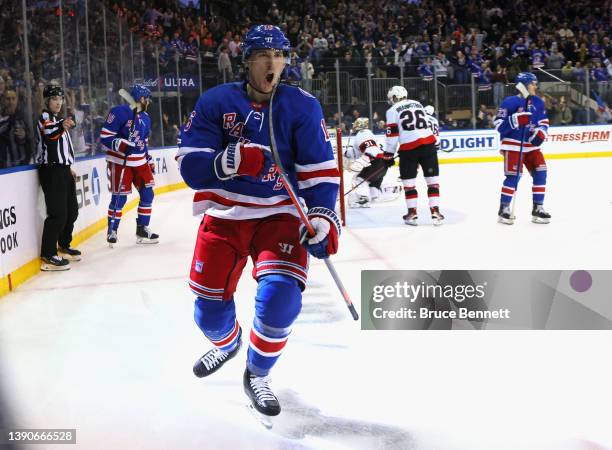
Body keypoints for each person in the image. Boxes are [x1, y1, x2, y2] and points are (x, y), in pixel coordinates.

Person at [176, 25, 340, 417]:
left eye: (280, 55)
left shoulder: (301, 105)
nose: (272, 63)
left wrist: (322, 218)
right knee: (208, 313)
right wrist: (226, 162)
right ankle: (228, 343)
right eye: (263, 55)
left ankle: (257, 373)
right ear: (247, 61)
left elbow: (320, 173)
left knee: (281, 299)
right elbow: (190, 166)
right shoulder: (217, 101)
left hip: (279, 213)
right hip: (226, 214)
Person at [100, 84, 159, 246]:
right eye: (146, 99)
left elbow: (144, 143)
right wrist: (121, 144)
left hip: (140, 162)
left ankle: (142, 228)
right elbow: (105, 137)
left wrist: (149, 159)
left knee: (148, 194)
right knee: (120, 198)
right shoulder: (118, 112)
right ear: (141, 99)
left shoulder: (146, 117)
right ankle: (112, 230)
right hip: (121, 162)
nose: (148, 102)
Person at [494, 72, 551, 225]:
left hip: (531, 146)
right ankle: (504, 209)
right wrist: (516, 119)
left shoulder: (538, 102)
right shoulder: (509, 102)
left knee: (541, 171)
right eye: (533, 83)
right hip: (513, 144)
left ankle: (538, 207)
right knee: (514, 176)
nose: (535, 86)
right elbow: (499, 126)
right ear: (524, 85)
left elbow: (544, 122)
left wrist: (541, 133)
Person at [35, 85, 81, 271]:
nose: (58, 102)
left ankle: (63, 244)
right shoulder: (45, 118)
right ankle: (48, 253)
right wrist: (62, 125)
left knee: (72, 211)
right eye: (54, 99)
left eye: (60, 99)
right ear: (47, 101)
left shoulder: (60, 120)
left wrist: (68, 167)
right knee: (57, 214)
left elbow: (63, 147)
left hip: (63, 170)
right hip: (51, 171)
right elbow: (49, 134)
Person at [385, 86, 444, 226]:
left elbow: (392, 135)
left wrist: (388, 155)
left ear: (393, 97)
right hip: (428, 145)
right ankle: (435, 213)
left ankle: (412, 214)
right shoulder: (418, 104)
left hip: (409, 149)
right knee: (433, 182)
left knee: (409, 185)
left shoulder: (392, 110)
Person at [344, 117, 395, 208]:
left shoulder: (363, 133)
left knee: (358, 179)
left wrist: (362, 161)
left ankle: (363, 199)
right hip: (382, 164)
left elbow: (372, 149)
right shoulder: (366, 134)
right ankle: (375, 195)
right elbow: (359, 151)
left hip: (376, 162)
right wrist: (347, 154)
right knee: (372, 182)